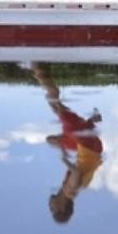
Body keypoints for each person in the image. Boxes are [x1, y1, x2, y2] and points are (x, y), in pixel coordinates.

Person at [34, 63, 103, 224]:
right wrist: (63, 157)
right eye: (52, 208)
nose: (49, 205)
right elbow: (77, 173)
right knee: (54, 101)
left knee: (51, 140)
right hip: (88, 146)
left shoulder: (72, 190)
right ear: (61, 207)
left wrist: (63, 148)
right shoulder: (69, 191)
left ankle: (90, 121)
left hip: (88, 147)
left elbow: (80, 169)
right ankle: (37, 67)